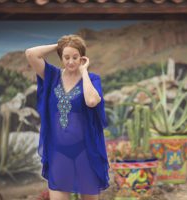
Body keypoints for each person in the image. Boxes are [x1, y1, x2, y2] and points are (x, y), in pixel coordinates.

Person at [25, 34, 110, 200]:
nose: (71, 61)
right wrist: (62, 44)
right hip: (59, 152)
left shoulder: (92, 79)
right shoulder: (52, 76)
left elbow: (92, 101)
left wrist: (84, 72)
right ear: (61, 57)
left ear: (82, 58)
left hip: (85, 152)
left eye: (75, 57)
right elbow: (30, 53)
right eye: (66, 57)